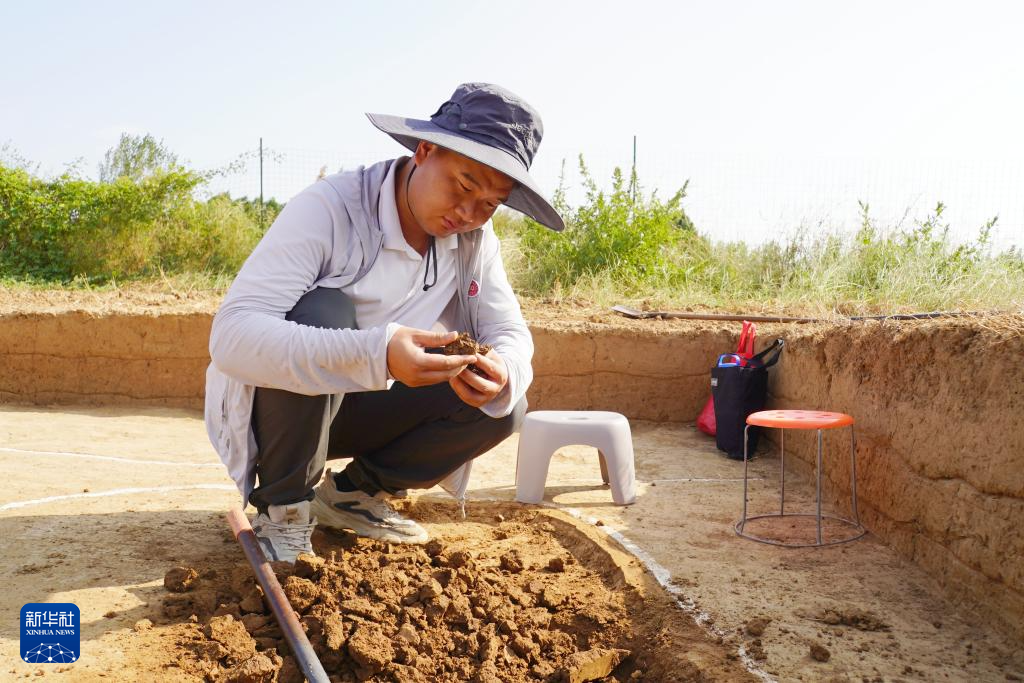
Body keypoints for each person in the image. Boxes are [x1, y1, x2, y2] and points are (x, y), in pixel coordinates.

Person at [204, 83, 564, 563]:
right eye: (464, 185)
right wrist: (378, 353)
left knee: (504, 402)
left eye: (488, 203)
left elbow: (511, 334)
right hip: (283, 413)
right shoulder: (330, 208)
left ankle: (353, 495)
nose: (468, 213)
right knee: (327, 311)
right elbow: (231, 337)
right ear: (426, 150)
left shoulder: (475, 239)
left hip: (366, 410)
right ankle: (285, 507)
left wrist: (505, 372)